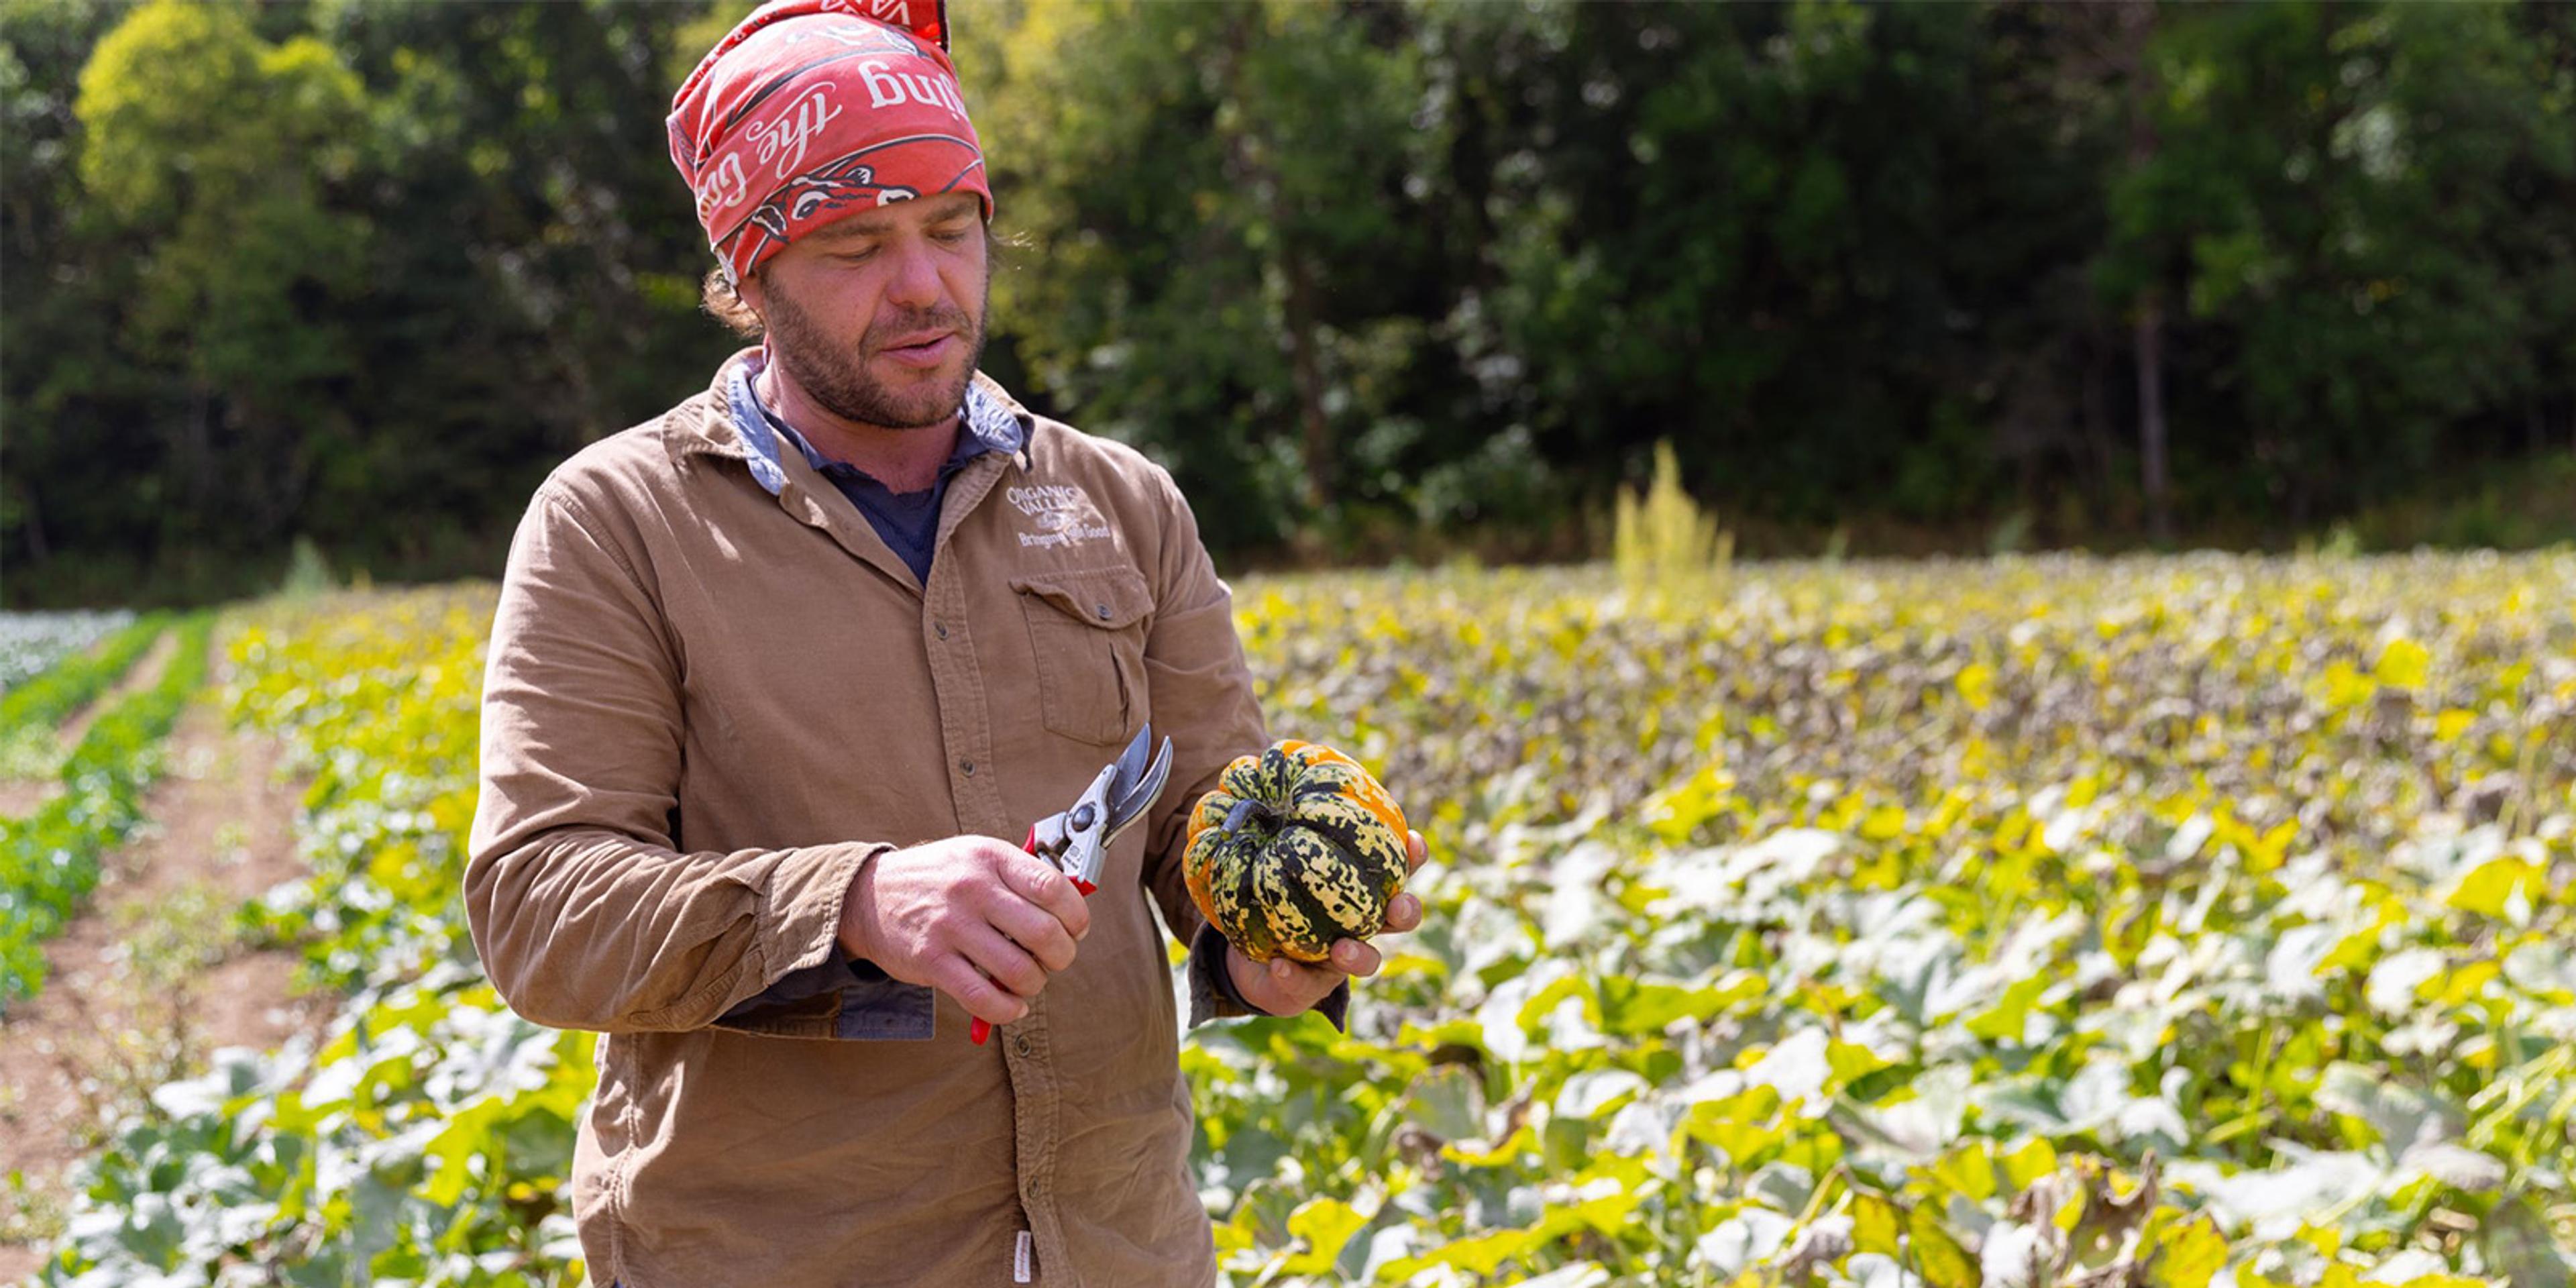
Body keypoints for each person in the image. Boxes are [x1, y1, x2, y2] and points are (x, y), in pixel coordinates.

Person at [462, 1, 1426, 1285]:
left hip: (1118, 1250)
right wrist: (855, 903)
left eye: (951, 228)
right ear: (748, 279)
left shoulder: (1121, 504)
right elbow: (541, 909)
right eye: (857, 244)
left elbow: (1207, 823)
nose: (923, 285)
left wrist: (1265, 947)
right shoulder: (619, 523)